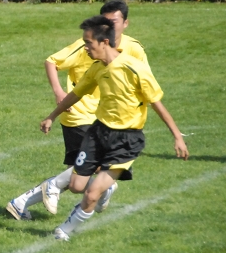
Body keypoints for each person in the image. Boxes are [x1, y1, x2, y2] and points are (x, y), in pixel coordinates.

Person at [40, 16, 188, 241]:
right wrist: (51, 116)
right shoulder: (97, 68)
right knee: (77, 186)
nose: (85, 48)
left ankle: (64, 231)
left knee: (91, 194)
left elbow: (157, 104)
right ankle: (105, 188)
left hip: (126, 140)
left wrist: (177, 136)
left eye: (88, 43)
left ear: (104, 42)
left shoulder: (134, 68)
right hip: (98, 133)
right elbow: (76, 94)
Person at [5, 0, 148, 221]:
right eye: (106, 21)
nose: (110, 26)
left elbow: (144, 80)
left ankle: (20, 203)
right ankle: (54, 189)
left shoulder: (134, 48)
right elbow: (52, 61)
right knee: (93, 169)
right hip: (79, 114)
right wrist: (58, 93)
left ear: (125, 23)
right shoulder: (86, 46)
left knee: (82, 172)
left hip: (107, 118)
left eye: (114, 22)